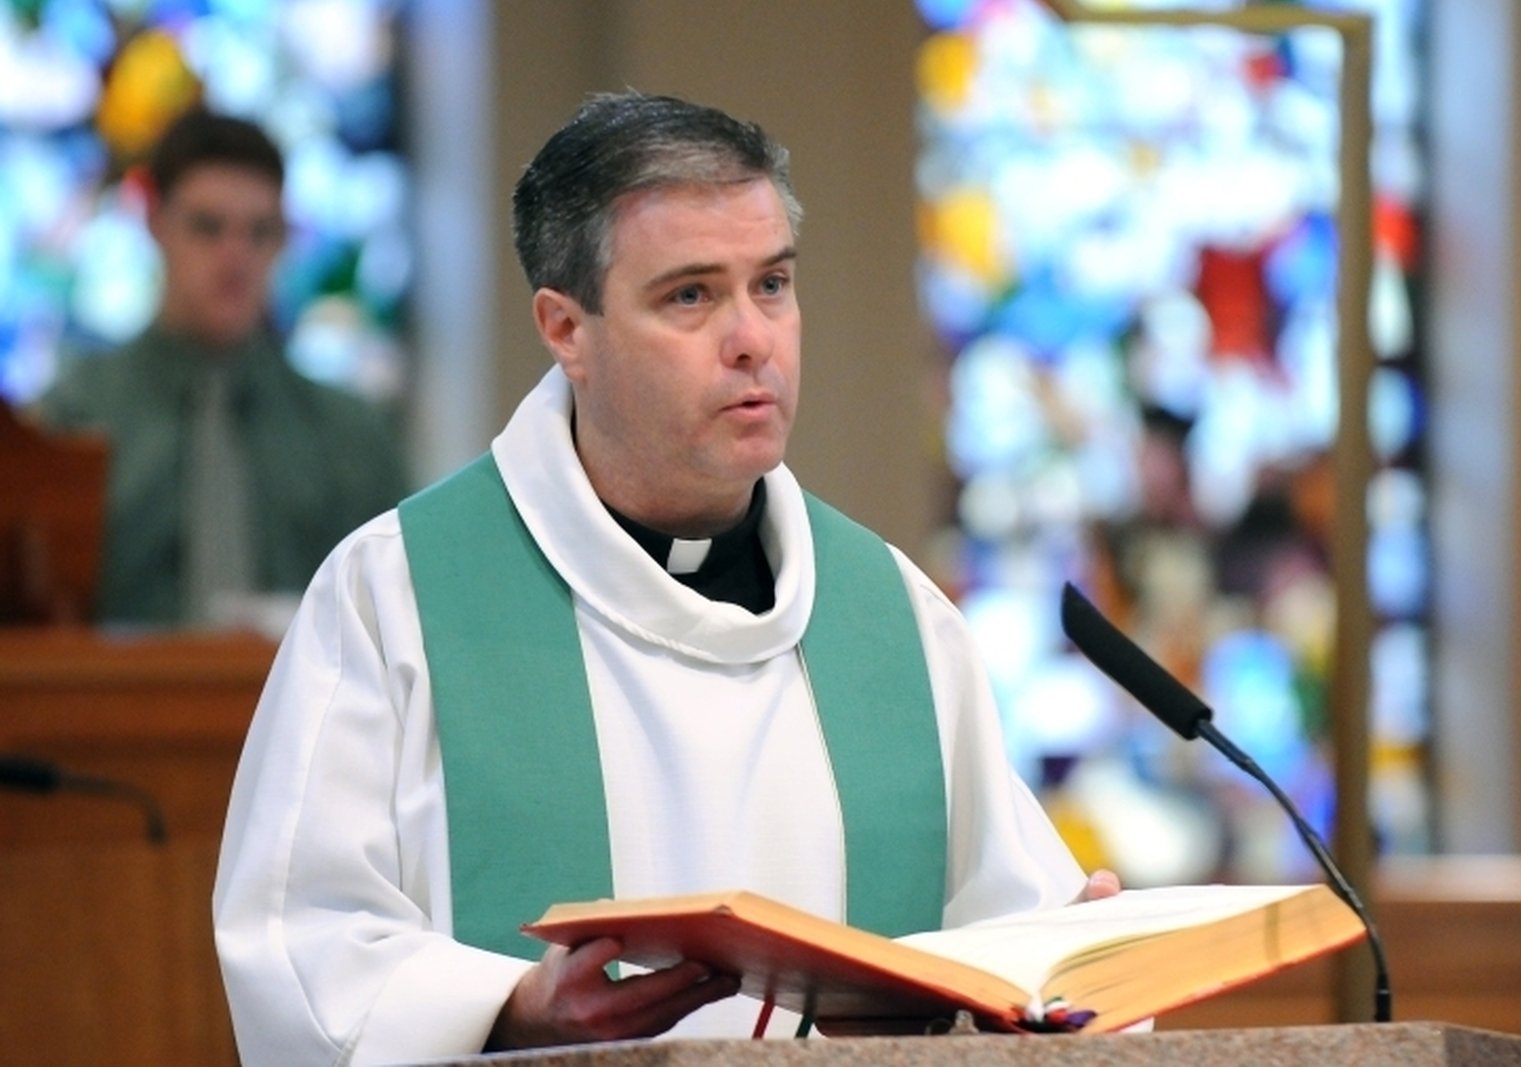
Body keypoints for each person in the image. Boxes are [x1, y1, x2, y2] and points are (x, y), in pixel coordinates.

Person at [213, 92, 1111, 1066]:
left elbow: (1013, 954)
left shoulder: (894, 618)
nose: (752, 338)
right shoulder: (397, 598)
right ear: (566, 329)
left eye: (771, 284)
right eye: (691, 295)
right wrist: (512, 1007)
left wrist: (1068, 968)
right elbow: (298, 948)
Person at [33, 107, 407, 627]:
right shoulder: (68, 421)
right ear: (155, 224)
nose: (236, 258)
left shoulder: (350, 436)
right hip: (112, 703)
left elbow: (398, 618)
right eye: (208, 228)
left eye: (259, 232)